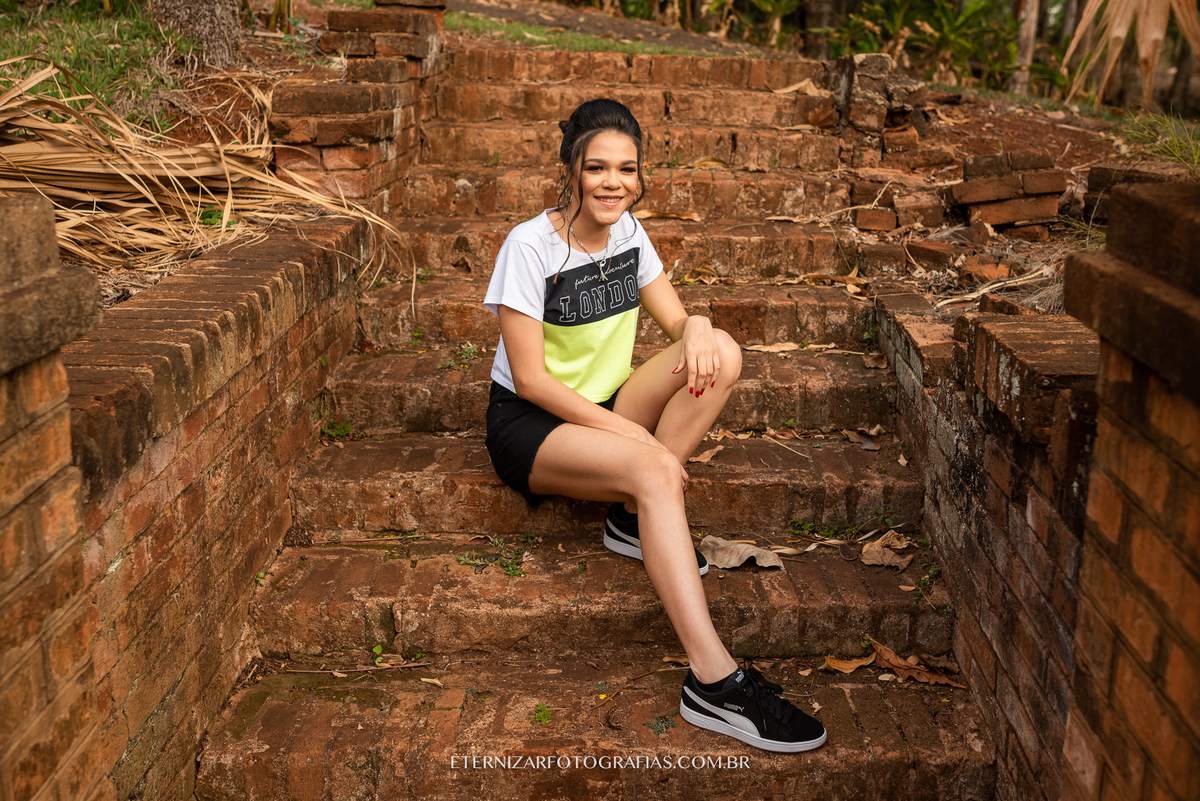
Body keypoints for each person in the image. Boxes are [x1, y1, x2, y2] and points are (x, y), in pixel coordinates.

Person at [482, 98, 826, 753]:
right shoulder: (530, 246)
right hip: (531, 424)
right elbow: (531, 381)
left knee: (721, 352)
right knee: (657, 469)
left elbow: (678, 323)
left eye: (627, 169)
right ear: (571, 169)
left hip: (607, 406)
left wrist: (700, 325)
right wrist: (636, 440)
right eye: (597, 168)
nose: (612, 182)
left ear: (640, 176)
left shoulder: (630, 234)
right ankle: (714, 680)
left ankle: (631, 514)